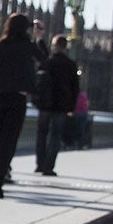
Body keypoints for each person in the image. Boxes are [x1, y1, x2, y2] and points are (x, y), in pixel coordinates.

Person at [0, 14, 37, 198]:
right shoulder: (28, 47)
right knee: (9, 140)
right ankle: (0, 177)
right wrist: (39, 38)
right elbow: (44, 60)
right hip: (16, 99)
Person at [34, 34, 81, 176]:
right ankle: (49, 166)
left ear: (54, 46)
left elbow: (38, 80)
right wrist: (71, 107)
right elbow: (75, 89)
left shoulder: (47, 62)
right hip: (61, 106)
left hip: (45, 104)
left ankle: (40, 164)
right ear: (65, 47)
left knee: (41, 134)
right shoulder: (71, 65)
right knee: (56, 135)